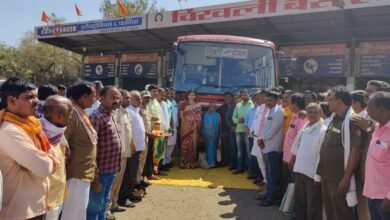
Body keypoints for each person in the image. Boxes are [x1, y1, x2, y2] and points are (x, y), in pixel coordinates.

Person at [0, 77, 57, 220]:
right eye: (30, 97)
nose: (36, 101)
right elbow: (43, 168)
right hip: (21, 212)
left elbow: (45, 160)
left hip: (36, 205)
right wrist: (50, 157)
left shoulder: (31, 124)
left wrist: (45, 157)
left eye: (36, 96)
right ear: (11, 101)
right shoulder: (9, 131)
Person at [315, 88, 363, 220]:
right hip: (327, 174)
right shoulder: (335, 118)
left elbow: (355, 151)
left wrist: (346, 178)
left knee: (341, 212)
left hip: (339, 177)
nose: (327, 102)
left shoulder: (352, 121)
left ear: (340, 101)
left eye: (330, 99)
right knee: (330, 210)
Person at [61, 81, 97, 220]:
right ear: (84, 96)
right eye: (93, 96)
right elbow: (62, 142)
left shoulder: (80, 112)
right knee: (73, 213)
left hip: (83, 172)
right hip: (75, 173)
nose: (95, 99)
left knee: (79, 212)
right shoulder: (71, 113)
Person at [87, 86, 122, 220]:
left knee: (104, 203)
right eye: (113, 97)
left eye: (118, 98)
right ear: (101, 99)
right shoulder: (96, 117)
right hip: (100, 171)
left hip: (111, 168)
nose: (116, 101)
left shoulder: (111, 115)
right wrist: (94, 173)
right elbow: (91, 147)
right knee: (94, 206)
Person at [290, 103, 326, 220]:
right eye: (309, 112)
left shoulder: (323, 130)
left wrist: (317, 177)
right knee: (300, 202)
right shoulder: (306, 126)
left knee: (313, 205)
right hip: (300, 170)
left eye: (315, 112)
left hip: (312, 175)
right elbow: (298, 145)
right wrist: (293, 160)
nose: (312, 114)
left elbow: (322, 156)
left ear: (320, 113)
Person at [41, 95, 73, 220]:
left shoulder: (58, 132)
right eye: (69, 114)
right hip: (45, 199)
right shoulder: (39, 134)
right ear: (59, 116)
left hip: (58, 193)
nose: (70, 118)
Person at [364, 91, 390, 220]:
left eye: (369, 107)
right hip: (373, 193)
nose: (366, 110)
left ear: (380, 109)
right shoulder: (378, 127)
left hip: (386, 198)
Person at [257, 90, 284, 206]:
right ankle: (268, 194)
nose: (268, 102)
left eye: (271, 100)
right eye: (267, 100)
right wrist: (261, 138)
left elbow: (273, 130)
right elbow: (265, 128)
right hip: (266, 146)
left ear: (277, 100)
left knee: (272, 175)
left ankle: (270, 199)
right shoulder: (269, 111)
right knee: (268, 174)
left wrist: (261, 138)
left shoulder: (278, 112)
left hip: (273, 148)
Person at [110, 89, 134, 213]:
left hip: (125, 151)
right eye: (125, 97)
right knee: (113, 180)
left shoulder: (126, 112)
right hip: (117, 152)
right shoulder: (116, 112)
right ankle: (107, 208)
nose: (128, 100)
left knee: (119, 179)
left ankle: (114, 203)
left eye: (129, 98)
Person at [122, 90, 147, 204]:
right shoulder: (129, 111)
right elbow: (129, 131)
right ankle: (126, 196)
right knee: (129, 174)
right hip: (133, 149)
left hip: (139, 148)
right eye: (137, 99)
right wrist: (132, 145)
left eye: (140, 99)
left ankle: (131, 192)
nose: (140, 101)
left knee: (133, 173)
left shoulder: (136, 111)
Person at [232, 89, 253, 174]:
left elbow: (253, 118)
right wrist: (237, 121)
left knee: (249, 151)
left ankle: (249, 169)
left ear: (248, 95)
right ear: (241, 96)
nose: (244, 96)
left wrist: (246, 122)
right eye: (243, 95)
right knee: (240, 151)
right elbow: (233, 117)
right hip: (239, 130)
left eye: (246, 94)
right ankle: (240, 168)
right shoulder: (238, 105)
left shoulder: (252, 105)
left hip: (248, 131)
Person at [179, 89, 202, 169]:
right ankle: (183, 161)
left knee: (193, 145)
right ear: (187, 96)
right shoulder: (184, 104)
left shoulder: (198, 104)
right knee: (185, 144)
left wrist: (196, 124)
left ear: (195, 96)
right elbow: (181, 116)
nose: (192, 96)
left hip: (195, 127)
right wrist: (187, 125)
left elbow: (199, 115)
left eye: (193, 95)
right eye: (190, 95)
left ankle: (191, 161)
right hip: (185, 127)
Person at [163, 87, 179, 169]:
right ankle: (164, 163)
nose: (171, 95)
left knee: (171, 145)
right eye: (169, 93)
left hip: (174, 128)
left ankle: (168, 161)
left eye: (173, 93)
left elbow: (176, 115)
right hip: (167, 128)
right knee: (166, 146)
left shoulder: (174, 102)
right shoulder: (164, 103)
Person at [202, 103, 220, 168]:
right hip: (207, 135)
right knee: (209, 147)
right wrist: (204, 133)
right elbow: (203, 125)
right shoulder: (206, 115)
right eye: (211, 106)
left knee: (214, 148)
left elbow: (220, 125)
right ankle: (210, 163)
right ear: (208, 107)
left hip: (216, 134)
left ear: (215, 108)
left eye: (213, 106)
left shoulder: (218, 115)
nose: (212, 108)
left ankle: (214, 162)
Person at [217, 92, 234, 166]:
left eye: (229, 97)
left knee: (233, 148)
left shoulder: (236, 106)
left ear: (232, 98)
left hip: (234, 130)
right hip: (224, 131)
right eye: (225, 97)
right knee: (225, 148)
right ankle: (225, 161)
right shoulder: (221, 108)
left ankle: (232, 162)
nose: (227, 98)